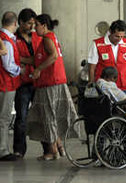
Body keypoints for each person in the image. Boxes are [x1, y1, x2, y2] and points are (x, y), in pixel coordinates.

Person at [26, 14, 77, 161]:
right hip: (55, 82)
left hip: (50, 83)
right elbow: (38, 59)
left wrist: (38, 69)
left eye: (36, 25)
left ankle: (52, 151)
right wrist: (20, 59)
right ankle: (59, 147)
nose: (35, 28)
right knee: (52, 116)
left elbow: (53, 56)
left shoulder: (47, 38)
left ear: (44, 25)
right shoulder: (50, 38)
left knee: (47, 117)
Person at [13, 8, 43, 159]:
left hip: (38, 82)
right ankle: (19, 150)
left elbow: (41, 56)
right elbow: (13, 57)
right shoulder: (13, 38)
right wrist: (27, 60)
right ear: (20, 23)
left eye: (33, 23)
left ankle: (48, 149)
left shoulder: (37, 36)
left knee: (42, 116)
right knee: (21, 117)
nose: (32, 26)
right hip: (23, 83)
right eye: (29, 24)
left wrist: (24, 60)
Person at [88, 20, 126, 100]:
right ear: (110, 32)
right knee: (108, 111)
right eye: (116, 36)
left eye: (122, 37)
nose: (119, 39)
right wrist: (92, 87)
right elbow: (92, 68)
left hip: (125, 86)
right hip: (106, 88)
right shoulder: (97, 44)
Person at [0, 11, 23, 161]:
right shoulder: (6, 40)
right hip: (5, 84)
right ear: (15, 23)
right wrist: (21, 71)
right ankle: (2, 150)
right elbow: (8, 65)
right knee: (4, 118)